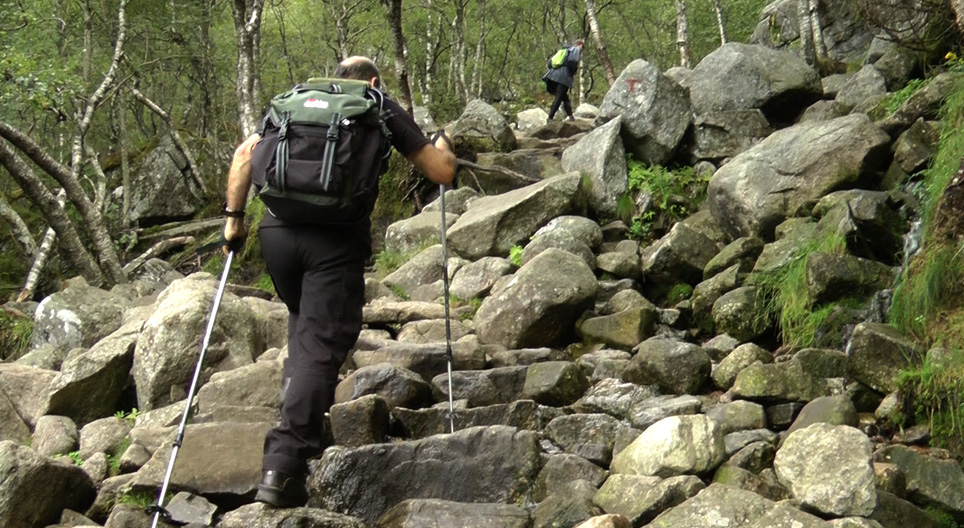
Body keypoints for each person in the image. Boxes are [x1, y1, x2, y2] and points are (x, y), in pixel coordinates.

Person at [222, 56, 456, 508]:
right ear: (372, 80)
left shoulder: (293, 100)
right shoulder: (375, 103)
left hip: (277, 235)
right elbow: (441, 170)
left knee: (306, 329)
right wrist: (444, 142)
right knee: (320, 346)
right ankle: (284, 466)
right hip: (333, 241)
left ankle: (299, 412)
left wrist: (234, 220)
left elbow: (243, 157)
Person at [542, 39, 584, 123]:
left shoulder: (565, 49)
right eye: (582, 49)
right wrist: (574, 71)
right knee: (559, 97)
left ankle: (571, 117)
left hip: (553, 75)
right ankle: (550, 118)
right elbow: (572, 61)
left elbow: (550, 63)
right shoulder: (575, 49)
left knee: (565, 98)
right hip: (563, 76)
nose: (581, 51)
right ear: (580, 45)